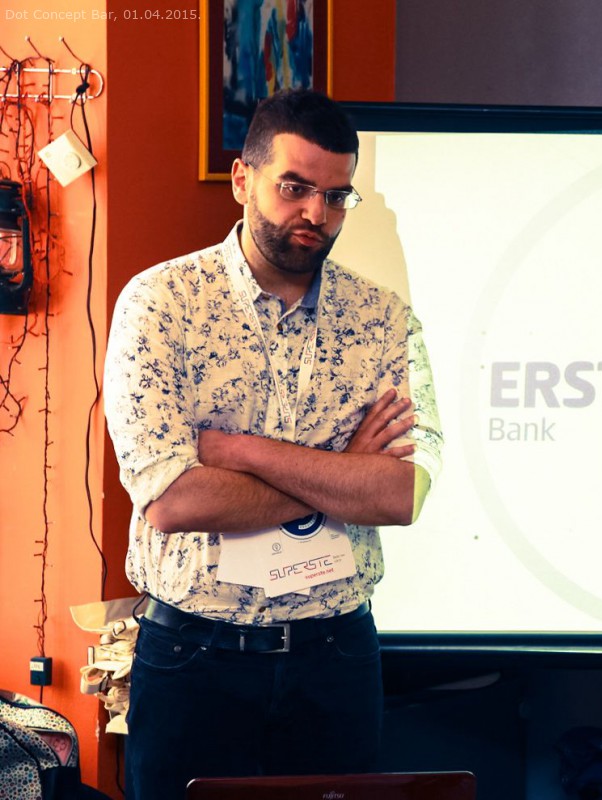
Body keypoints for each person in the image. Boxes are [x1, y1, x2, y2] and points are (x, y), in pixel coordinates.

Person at [103, 89, 442, 800]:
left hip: (335, 657)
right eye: (295, 187)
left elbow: (398, 494)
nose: (316, 213)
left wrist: (241, 452)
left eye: (336, 196)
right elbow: (172, 500)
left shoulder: (383, 320)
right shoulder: (161, 304)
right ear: (242, 179)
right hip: (192, 655)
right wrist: (342, 473)